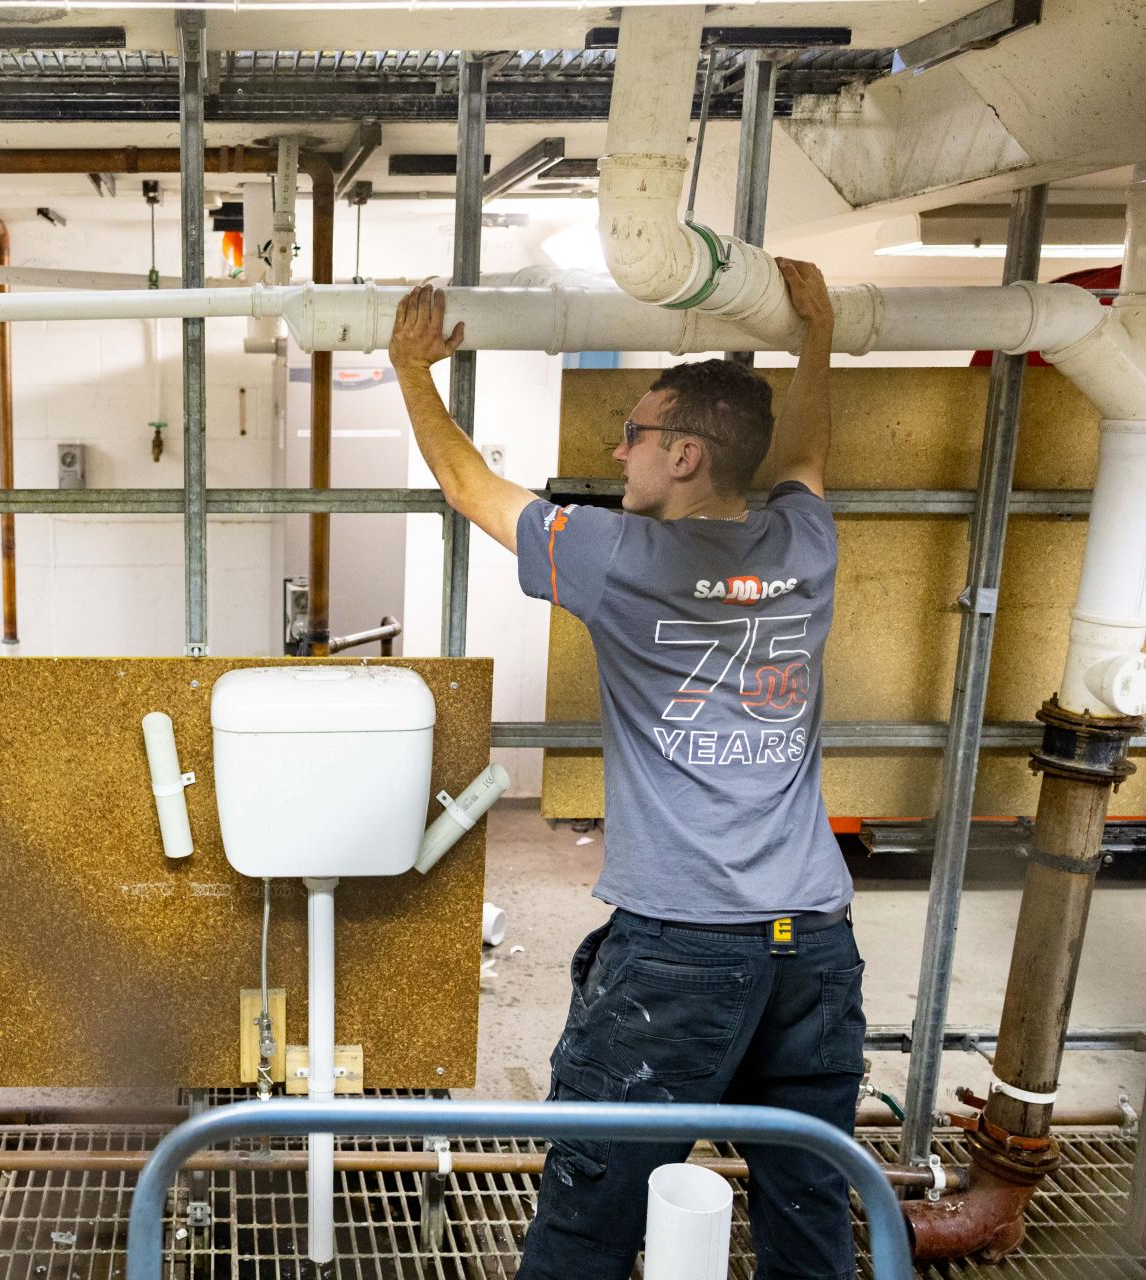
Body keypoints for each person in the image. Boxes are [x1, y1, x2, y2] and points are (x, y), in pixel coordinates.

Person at [388, 261, 864, 1280]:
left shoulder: (613, 554)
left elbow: (470, 485)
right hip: (815, 940)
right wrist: (813, 338)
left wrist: (409, 368)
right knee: (809, 1197)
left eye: (637, 433)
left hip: (683, 948)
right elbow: (811, 455)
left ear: (685, 453)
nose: (620, 448)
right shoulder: (804, 541)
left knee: (591, 1205)